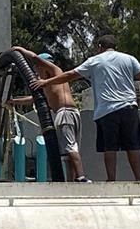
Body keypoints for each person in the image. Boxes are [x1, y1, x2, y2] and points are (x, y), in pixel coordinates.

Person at [31, 34, 140, 182]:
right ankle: (139, 177)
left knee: (109, 147)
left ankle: (111, 179)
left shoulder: (95, 61)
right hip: (129, 108)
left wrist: (46, 82)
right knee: (133, 145)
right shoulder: (129, 59)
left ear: (100, 47)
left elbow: (70, 75)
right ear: (115, 47)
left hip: (107, 110)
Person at [7, 47, 89, 182]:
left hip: (64, 112)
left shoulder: (56, 72)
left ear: (43, 65)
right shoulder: (49, 84)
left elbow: (34, 58)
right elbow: (33, 99)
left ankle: (81, 176)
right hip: (72, 113)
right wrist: (14, 101)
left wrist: (18, 49)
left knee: (70, 147)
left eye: (37, 68)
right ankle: (72, 180)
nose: (36, 72)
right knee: (68, 151)